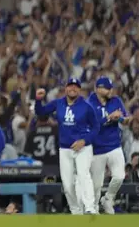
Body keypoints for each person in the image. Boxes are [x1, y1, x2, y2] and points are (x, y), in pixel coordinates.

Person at [35, 78, 99, 215]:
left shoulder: (87, 106)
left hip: (83, 147)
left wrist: (84, 140)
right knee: (67, 184)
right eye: (70, 86)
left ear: (79, 90)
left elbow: (96, 127)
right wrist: (38, 100)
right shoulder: (58, 103)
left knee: (83, 175)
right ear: (66, 89)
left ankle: (90, 207)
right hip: (65, 149)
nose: (73, 89)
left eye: (76, 86)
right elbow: (41, 112)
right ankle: (75, 211)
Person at [87, 76, 128, 214]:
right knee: (96, 185)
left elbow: (124, 118)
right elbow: (92, 125)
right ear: (98, 89)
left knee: (119, 176)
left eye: (111, 87)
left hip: (114, 145)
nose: (111, 90)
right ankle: (93, 209)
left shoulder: (116, 100)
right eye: (107, 88)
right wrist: (109, 117)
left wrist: (124, 119)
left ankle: (108, 199)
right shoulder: (90, 103)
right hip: (97, 149)